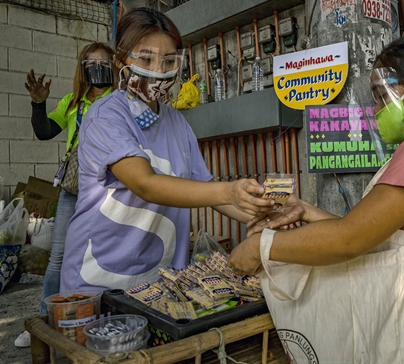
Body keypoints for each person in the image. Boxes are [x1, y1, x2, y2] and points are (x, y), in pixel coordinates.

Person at [230, 28, 404, 363]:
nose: (378, 109)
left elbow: (350, 240)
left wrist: (260, 247)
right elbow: (377, 236)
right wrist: (307, 210)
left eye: (383, 96)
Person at [59, 8, 274, 293]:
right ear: (121, 59)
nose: (158, 71)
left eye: (169, 61)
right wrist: (230, 190)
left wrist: (264, 215)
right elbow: (145, 184)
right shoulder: (106, 116)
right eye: (146, 59)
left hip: (162, 286)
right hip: (98, 284)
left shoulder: (177, 122)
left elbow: (205, 187)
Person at [14, 42, 117, 348]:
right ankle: (44, 319)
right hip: (73, 190)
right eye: (91, 61)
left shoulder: (122, 100)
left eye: (104, 61)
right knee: (58, 256)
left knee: (103, 255)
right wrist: (38, 104)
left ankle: (101, 318)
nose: (97, 66)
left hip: (109, 191)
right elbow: (45, 131)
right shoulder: (74, 101)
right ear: (82, 68)